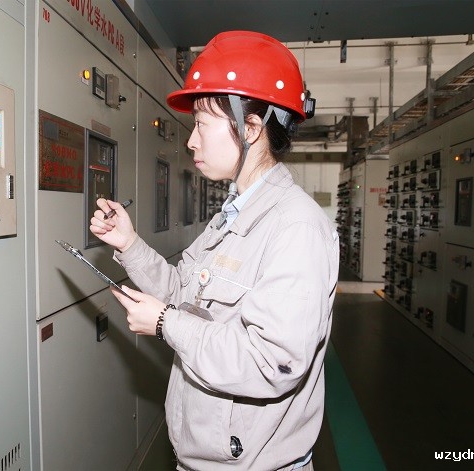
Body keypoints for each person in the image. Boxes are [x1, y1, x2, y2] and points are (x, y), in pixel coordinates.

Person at [90, 30, 339, 471]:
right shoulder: (232, 215)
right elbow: (183, 292)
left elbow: (271, 362)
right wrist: (129, 244)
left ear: (251, 128)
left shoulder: (296, 227)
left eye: (202, 124)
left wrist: (166, 324)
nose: (191, 140)